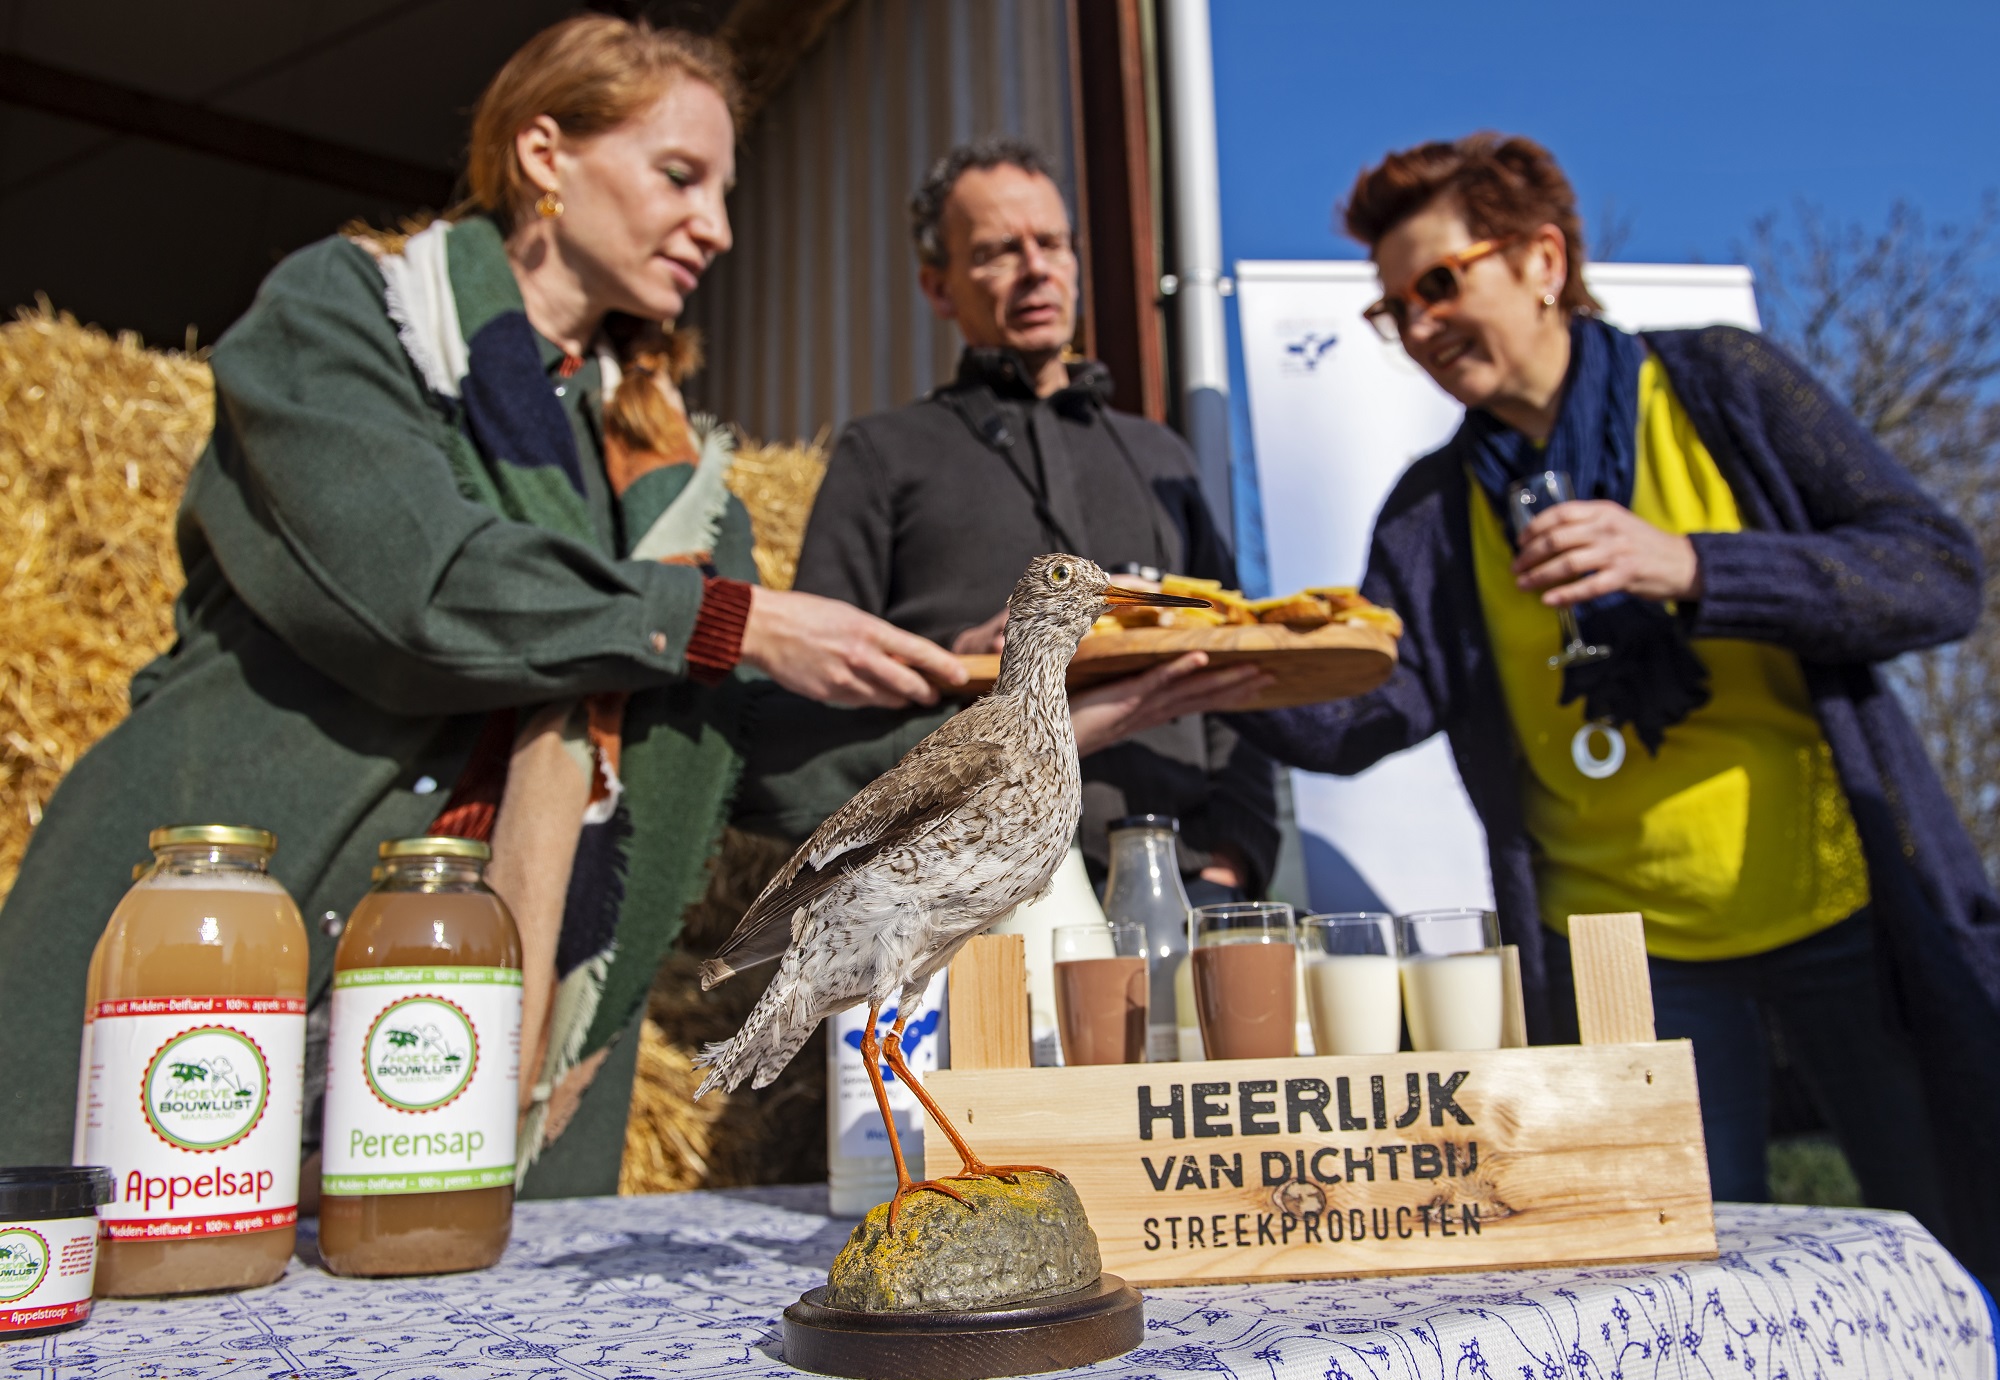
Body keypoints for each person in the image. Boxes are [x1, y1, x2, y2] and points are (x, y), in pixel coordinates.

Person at [0, 16, 971, 1195]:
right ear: (544, 155)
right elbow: (417, 591)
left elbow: (739, 741)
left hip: (491, 1024)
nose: (715, 227)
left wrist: (1023, 719)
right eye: (679, 177)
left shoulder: (679, 494)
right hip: (230, 956)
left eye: (722, 192)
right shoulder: (342, 319)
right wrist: (729, 620)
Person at [1227, 133, 2000, 1283]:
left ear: (1543, 258)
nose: (1422, 325)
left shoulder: (1724, 387)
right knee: (1686, 1286)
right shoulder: (1431, 514)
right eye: (1396, 308)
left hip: (1843, 912)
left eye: (1440, 281)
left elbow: (1933, 571)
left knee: (1948, 1250)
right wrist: (1223, 669)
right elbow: (1366, 715)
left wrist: (1691, 565)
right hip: (1622, 964)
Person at [790, 138, 1279, 897]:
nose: (1035, 269)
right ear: (938, 287)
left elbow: (1238, 662)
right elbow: (820, 706)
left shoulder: (1163, 457)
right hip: (962, 892)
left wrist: (1233, 860)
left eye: (1051, 242)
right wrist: (958, 662)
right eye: (996, 251)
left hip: (1179, 882)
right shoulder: (881, 454)